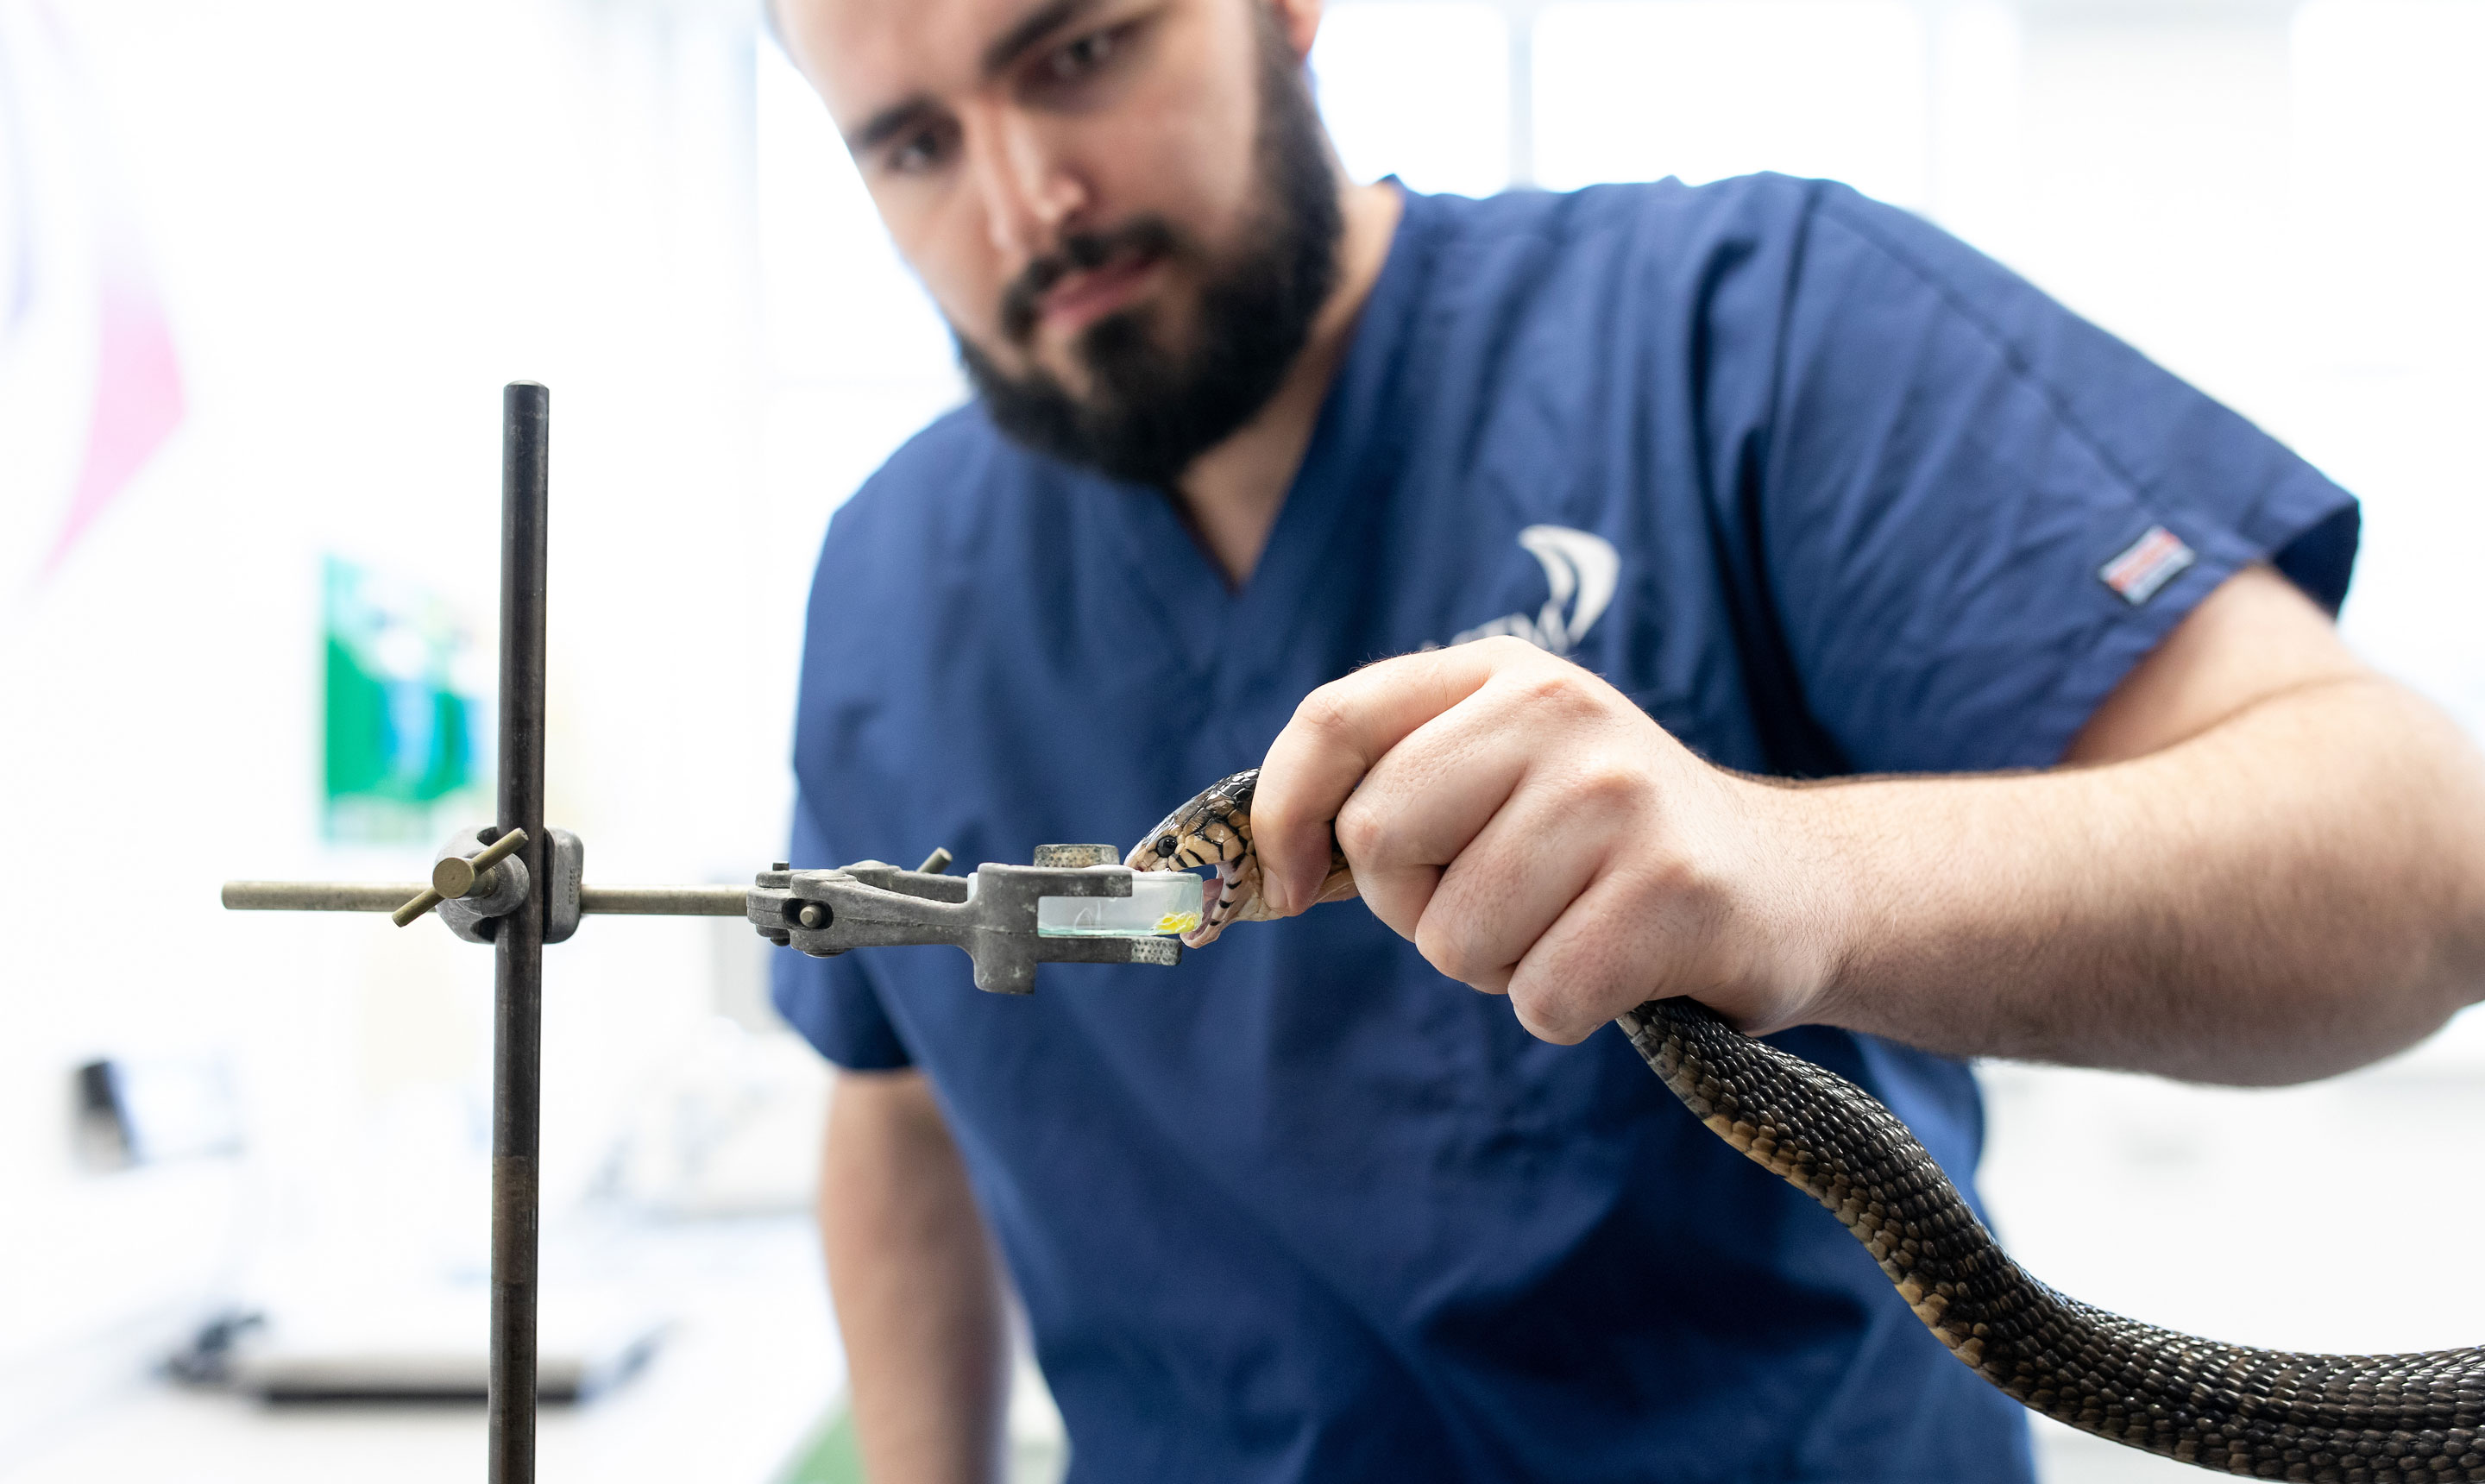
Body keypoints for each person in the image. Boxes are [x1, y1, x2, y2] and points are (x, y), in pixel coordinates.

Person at [764, 0, 2485, 1478]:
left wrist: (1800, 871)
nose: (1025, 200)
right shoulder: (885, 574)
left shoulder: (1751, 327)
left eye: (1077, 51)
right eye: (911, 145)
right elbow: (899, 1099)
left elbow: (2422, 845)